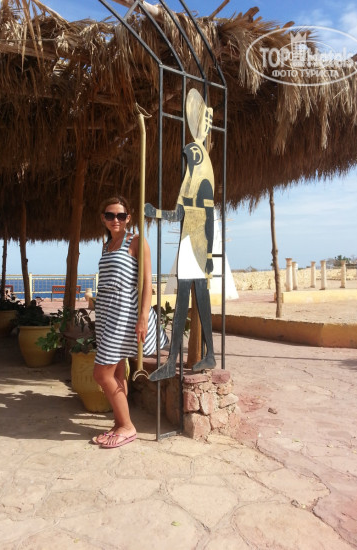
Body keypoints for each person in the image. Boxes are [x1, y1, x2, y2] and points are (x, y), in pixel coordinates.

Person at [145, 88, 216, 381]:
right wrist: (155, 213)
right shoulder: (188, 183)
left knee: (200, 299)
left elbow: (209, 220)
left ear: (196, 157)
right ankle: (173, 360)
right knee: (183, 305)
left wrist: (209, 255)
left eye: (189, 158)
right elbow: (177, 215)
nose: (186, 163)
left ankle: (207, 354)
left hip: (197, 248)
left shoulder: (204, 182)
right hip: (187, 246)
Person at [93, 196, 168, 448]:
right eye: (110, 215)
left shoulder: (136, 241)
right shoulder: (107, 245)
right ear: (103, 218)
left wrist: (144, 317)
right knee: (116, 371)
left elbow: (147, 284)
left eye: (121, 215)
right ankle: (119, 424)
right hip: (106, 312)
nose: (115, 220)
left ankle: (127, 426)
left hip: (124, 313)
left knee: (101, 373)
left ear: (129, 218)